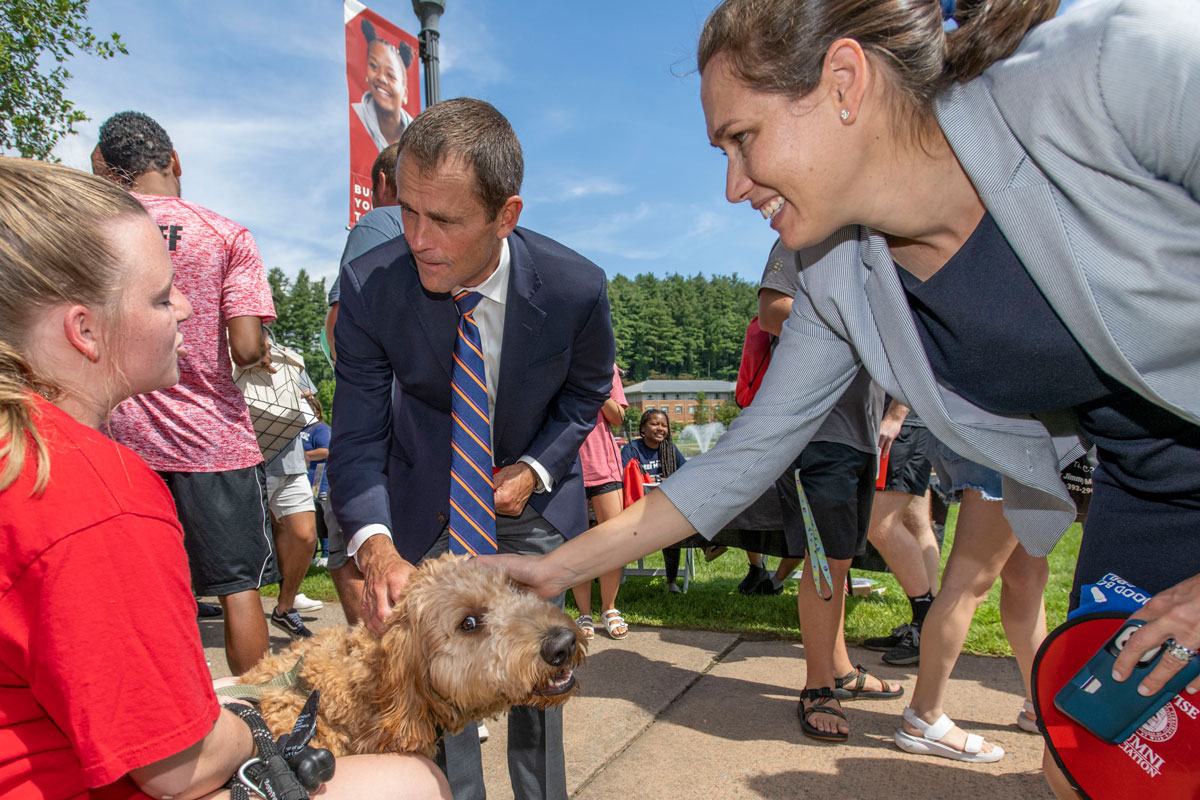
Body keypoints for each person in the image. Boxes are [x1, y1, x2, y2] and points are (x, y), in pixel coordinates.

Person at [487, 1, 1200, 794]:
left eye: (742, 139)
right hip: (1155, 493)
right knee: (1094, 771)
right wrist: (548, 571)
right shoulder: (837, 276)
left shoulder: (1116, 68)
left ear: (844, 83)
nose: (732, 186)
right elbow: (743, 459)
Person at [0, 157, 451, 800]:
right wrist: (251, 722)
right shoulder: (96, 494)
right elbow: (176, 768)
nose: (185, 306)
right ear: (85, 331)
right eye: (161, 297)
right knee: (411, 779)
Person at [328, 97, 615, 800]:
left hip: (533, 502)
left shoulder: (577, 288)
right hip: (429, 501)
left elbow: (585, 398)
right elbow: (358, 434)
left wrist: (535, 467)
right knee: (447, 679)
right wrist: (375, 545)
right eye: (409, 213)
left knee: (543, 660)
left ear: (505, 216)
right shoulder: (372, 286)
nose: (419, 239)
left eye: (445, 221)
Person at [94, 111, 280, 676]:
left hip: (117, 443)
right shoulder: (225, 234)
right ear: (174, 162)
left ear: (111, 174)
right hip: (210, 441)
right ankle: (261, 728)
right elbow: (247, 347)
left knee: (138, 594)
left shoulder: (95, 232)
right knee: (238, 589)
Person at [756, 239, 897, 742]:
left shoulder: (876, 244)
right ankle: (817, 687)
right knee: (823, 563)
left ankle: (838, 669)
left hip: (859, 431)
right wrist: (864, 322)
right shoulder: (804, 236)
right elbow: (772, 311)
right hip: (816, 431)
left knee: (838, 561)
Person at [892, 446, 1048, 762]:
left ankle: (1041, 702)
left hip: (1019, 444)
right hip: (1012, 443)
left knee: (1027, 576)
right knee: (968, 581)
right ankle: (924, 717)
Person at [323, 141, 403, 625]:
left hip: (378, 427)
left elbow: (341, 326)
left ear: (381, 184)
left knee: (353, 553)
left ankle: (384, 680)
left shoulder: (377, 222)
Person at [861, 400, 940, 666]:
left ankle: (925, 622)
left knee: (879, 524)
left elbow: (914, 360)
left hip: (902, 426)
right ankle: (930, 627)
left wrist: (895, 416)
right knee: (915, 523)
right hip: (912, 423)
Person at [570, 363, 631, 639]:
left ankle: (609, 609)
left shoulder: (606, 367)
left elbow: (618, 417)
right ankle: (583, 614)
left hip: (604, 466)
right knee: (577, 544)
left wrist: (595, 385)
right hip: (567, 466)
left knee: (613, 541)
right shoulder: (560, 358)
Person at [620, 410, 687, 593]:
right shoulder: (632, 449)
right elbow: (623, 478)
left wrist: (672, 480)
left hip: (665, 510)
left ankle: (671, 581)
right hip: (638, 510)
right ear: (643, 428)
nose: (660, 428)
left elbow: (687, 473)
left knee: (672, 526)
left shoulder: (670, 449)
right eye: (655, 424)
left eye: (664, 425)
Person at [351, 20, 414, 152]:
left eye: (390, 75)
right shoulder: (356, 115)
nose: (381, 78)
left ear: (405, 94)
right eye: (374, 66)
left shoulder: (417, 137)